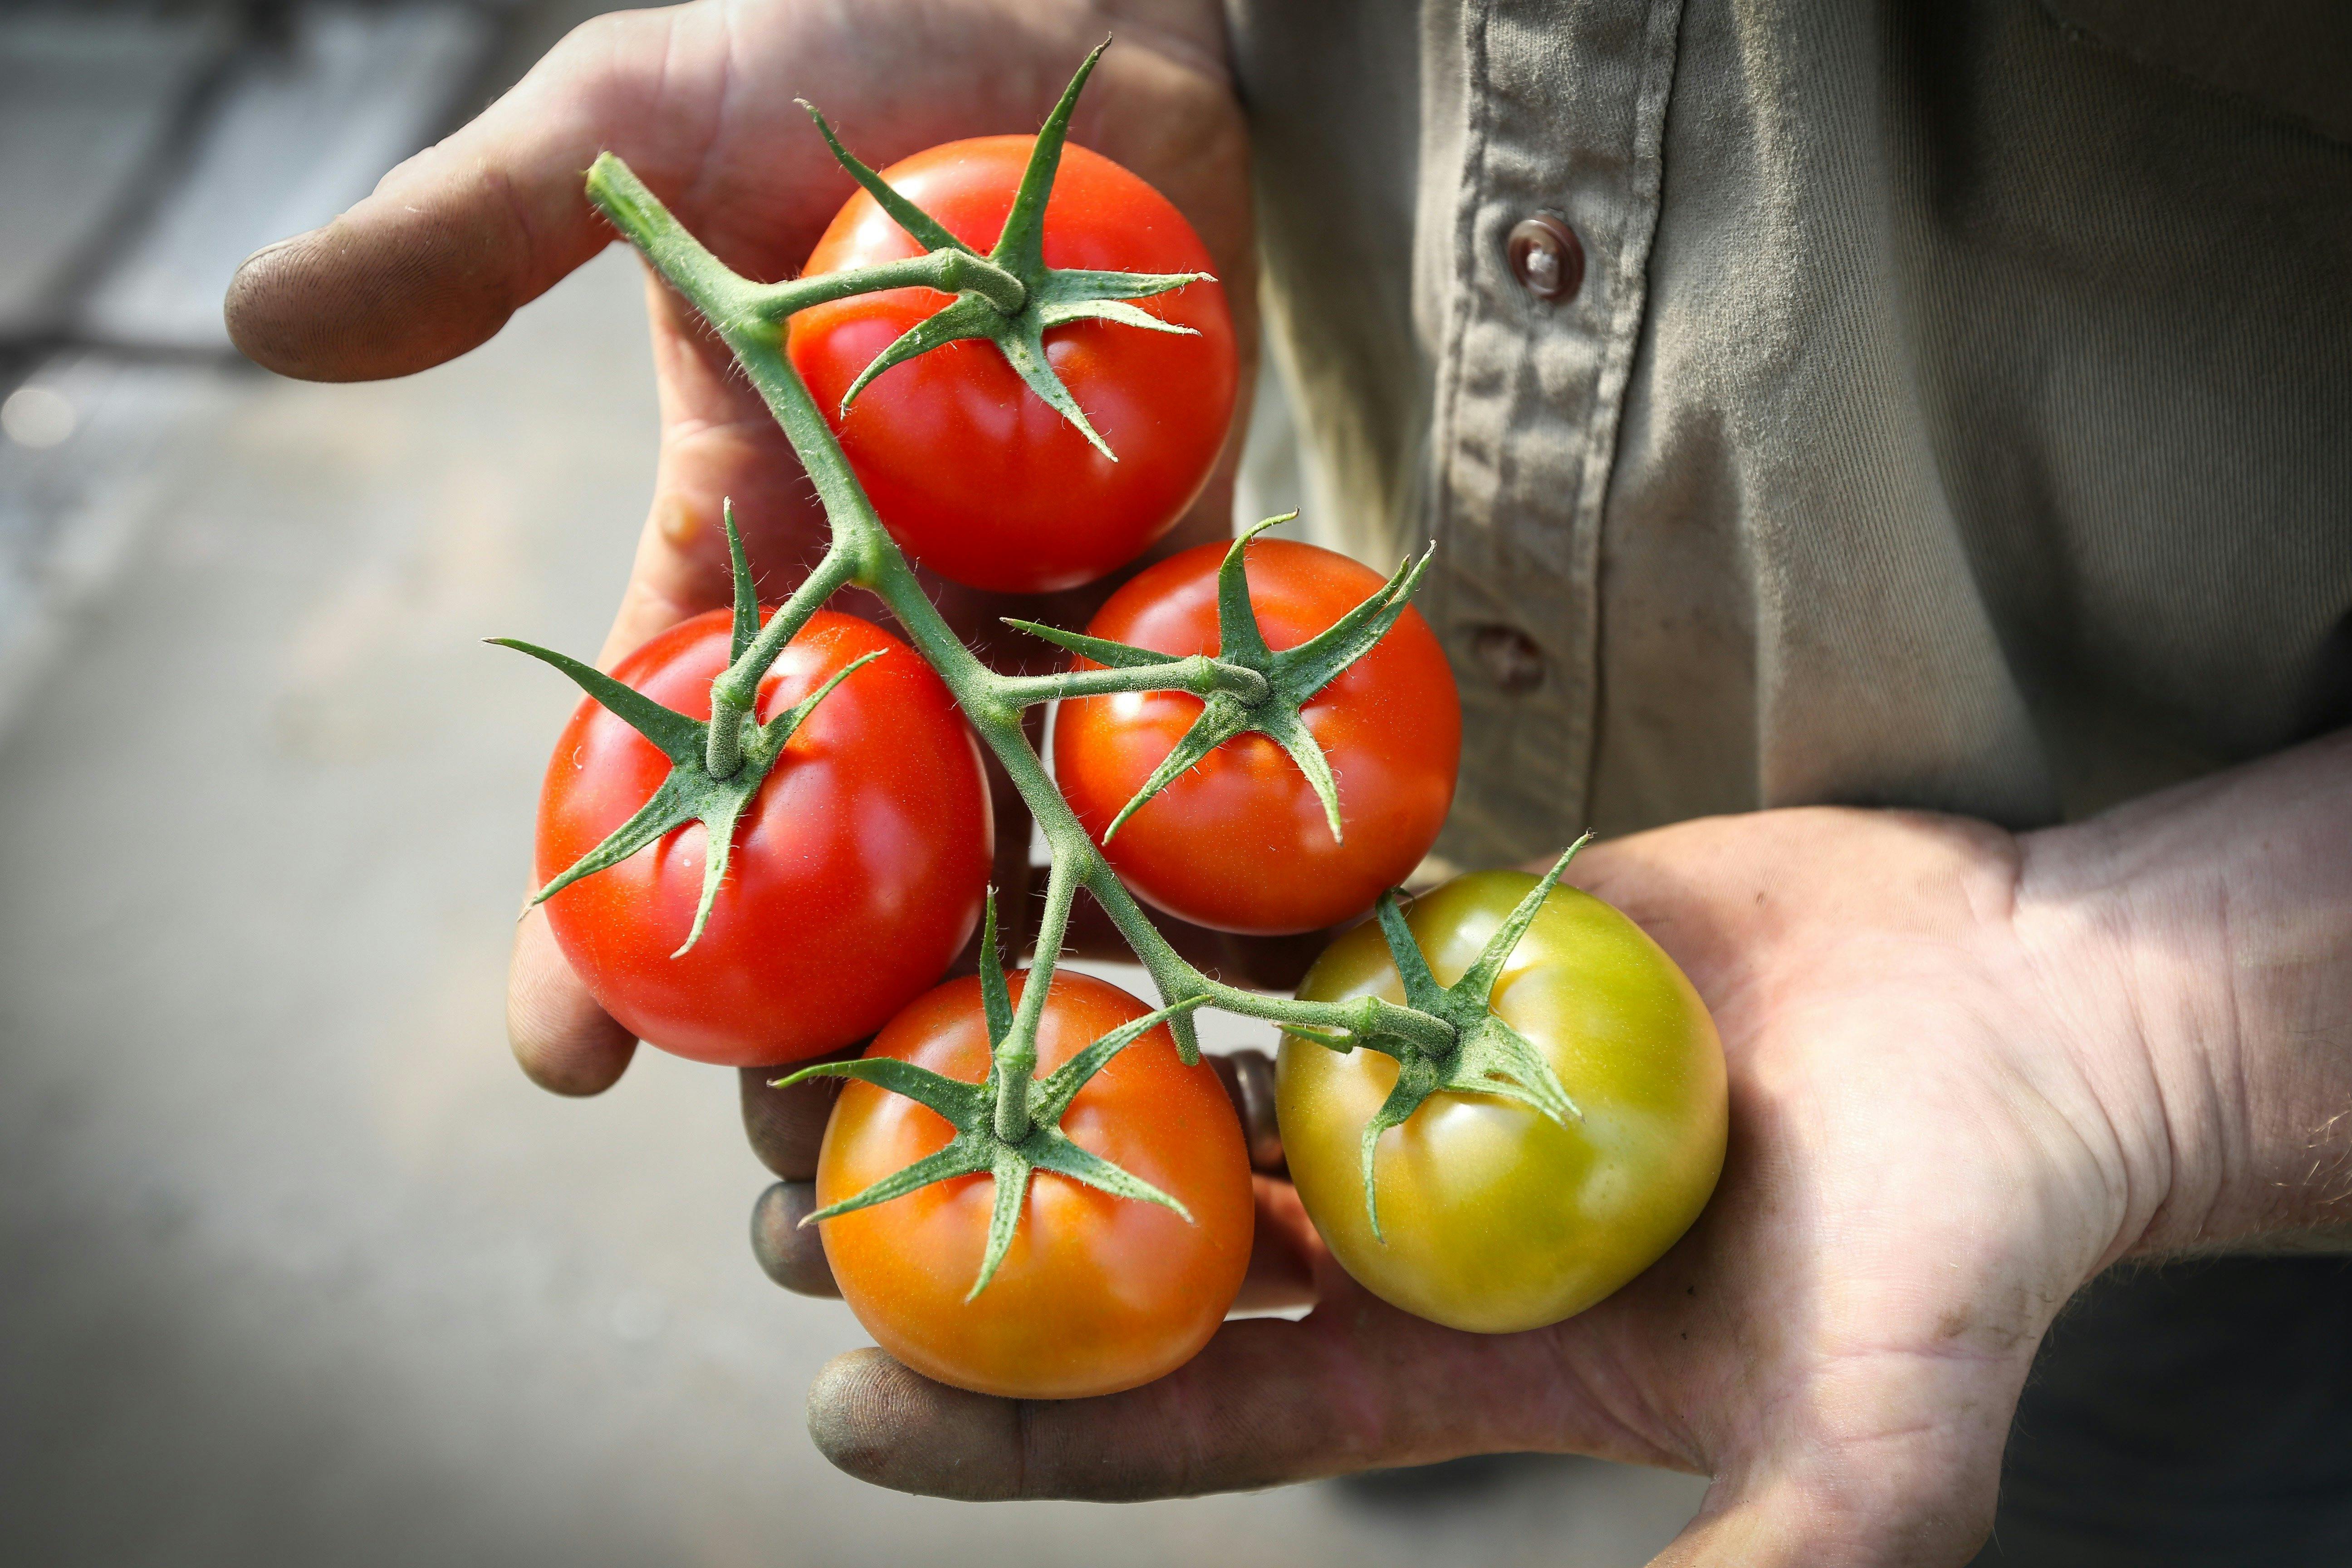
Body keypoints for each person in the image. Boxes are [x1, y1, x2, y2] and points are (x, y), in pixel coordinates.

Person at [223, 2, 2352, 1563]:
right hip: (1318, 600)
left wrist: (2174, 1048)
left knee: (2086, 1456)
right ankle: (1440, 1421)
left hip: (2169, 917)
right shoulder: (1175, 625)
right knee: (1356, 1287)